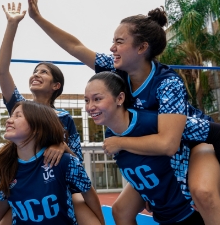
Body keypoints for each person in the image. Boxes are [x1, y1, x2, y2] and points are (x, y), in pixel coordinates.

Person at [27, 0, 220, 225]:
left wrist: (118, 142)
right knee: (121, 212)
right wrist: (38, 18)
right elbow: (76, 47)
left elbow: (169, 143)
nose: (111, 47)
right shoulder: (117, 74)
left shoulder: (168, 84)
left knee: (203, 195)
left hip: (193, 144)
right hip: (157, 149)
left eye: (119, 41)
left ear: (141, 48)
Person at [0, 2, 103, 225]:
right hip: (25, 184)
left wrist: (61, 146)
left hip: (59, 187)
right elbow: (2, 69)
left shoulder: (64, 118)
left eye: (43, 72)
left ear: (56, 85)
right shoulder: (21, 107)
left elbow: (76, 160)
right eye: (34, 71)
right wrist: (12, 24)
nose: (36, 74)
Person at [85, 71, 208, 224]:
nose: (90, 107)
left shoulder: (153, 122)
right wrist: (148, 193)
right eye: (86, 100)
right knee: (120, 211)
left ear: (120, 98)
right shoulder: (110, 135)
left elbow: (217, 133)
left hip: (190, 209)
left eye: (97, 99)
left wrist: (218, 188)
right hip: (163, 213)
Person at [0, 101, 105, 225]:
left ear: (37, 127)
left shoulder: (64, 161)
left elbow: (87, 191)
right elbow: (2, 201)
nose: (9, 120)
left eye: (18, 116)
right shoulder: (3, 165)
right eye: (11, 116)